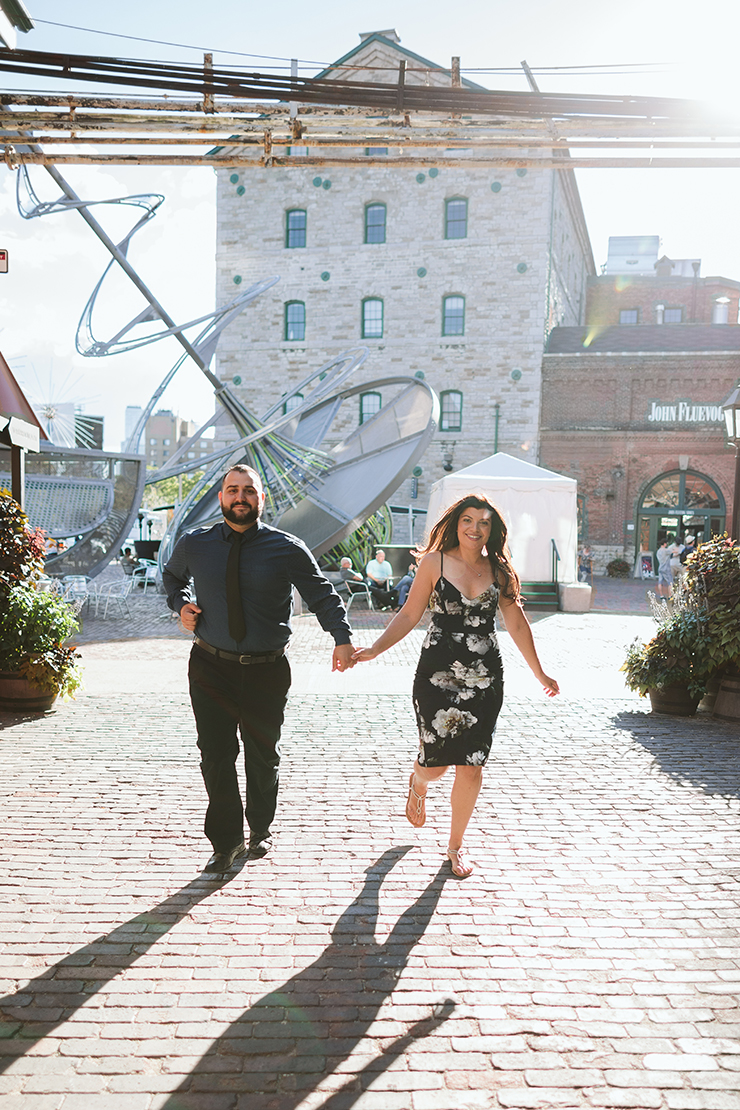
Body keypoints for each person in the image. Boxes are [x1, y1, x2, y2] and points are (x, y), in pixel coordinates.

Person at [353, 495, 559, 879]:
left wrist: (540, 673)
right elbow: (411, 613)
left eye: (483, 522)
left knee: (472, 764)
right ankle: (418, 780)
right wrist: (376, 649)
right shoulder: (434, 562)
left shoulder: (499, 571)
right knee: (438, 764)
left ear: (492, 529)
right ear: (456, 523)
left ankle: (455, 847)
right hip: (436, 673)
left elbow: (516, 624)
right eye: (467, 520)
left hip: (484, 677)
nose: (475, 528)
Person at [163, 464, 355, 873]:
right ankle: (226, 841)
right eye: (233, 490)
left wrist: (341, 638)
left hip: (267, 670)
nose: (240, 497)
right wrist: (180, 605)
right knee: (215, 755)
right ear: (221, 497)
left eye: (249, 491)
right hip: (210, 665)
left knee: (262, 755)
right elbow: (172, 576)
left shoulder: (287, 547)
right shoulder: (195, 543)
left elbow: (322, 594)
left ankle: (260, 829)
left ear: (261, 499)